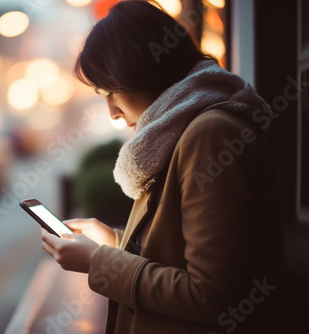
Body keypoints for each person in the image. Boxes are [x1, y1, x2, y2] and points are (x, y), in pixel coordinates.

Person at [40, 1, 287, 333]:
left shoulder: (211, 133)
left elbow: (211, 295)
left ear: (140, 71)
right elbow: (176, 253)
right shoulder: (179, 131)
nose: (112, 111)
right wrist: (114, 243)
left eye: (111, 92)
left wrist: (99, 262)